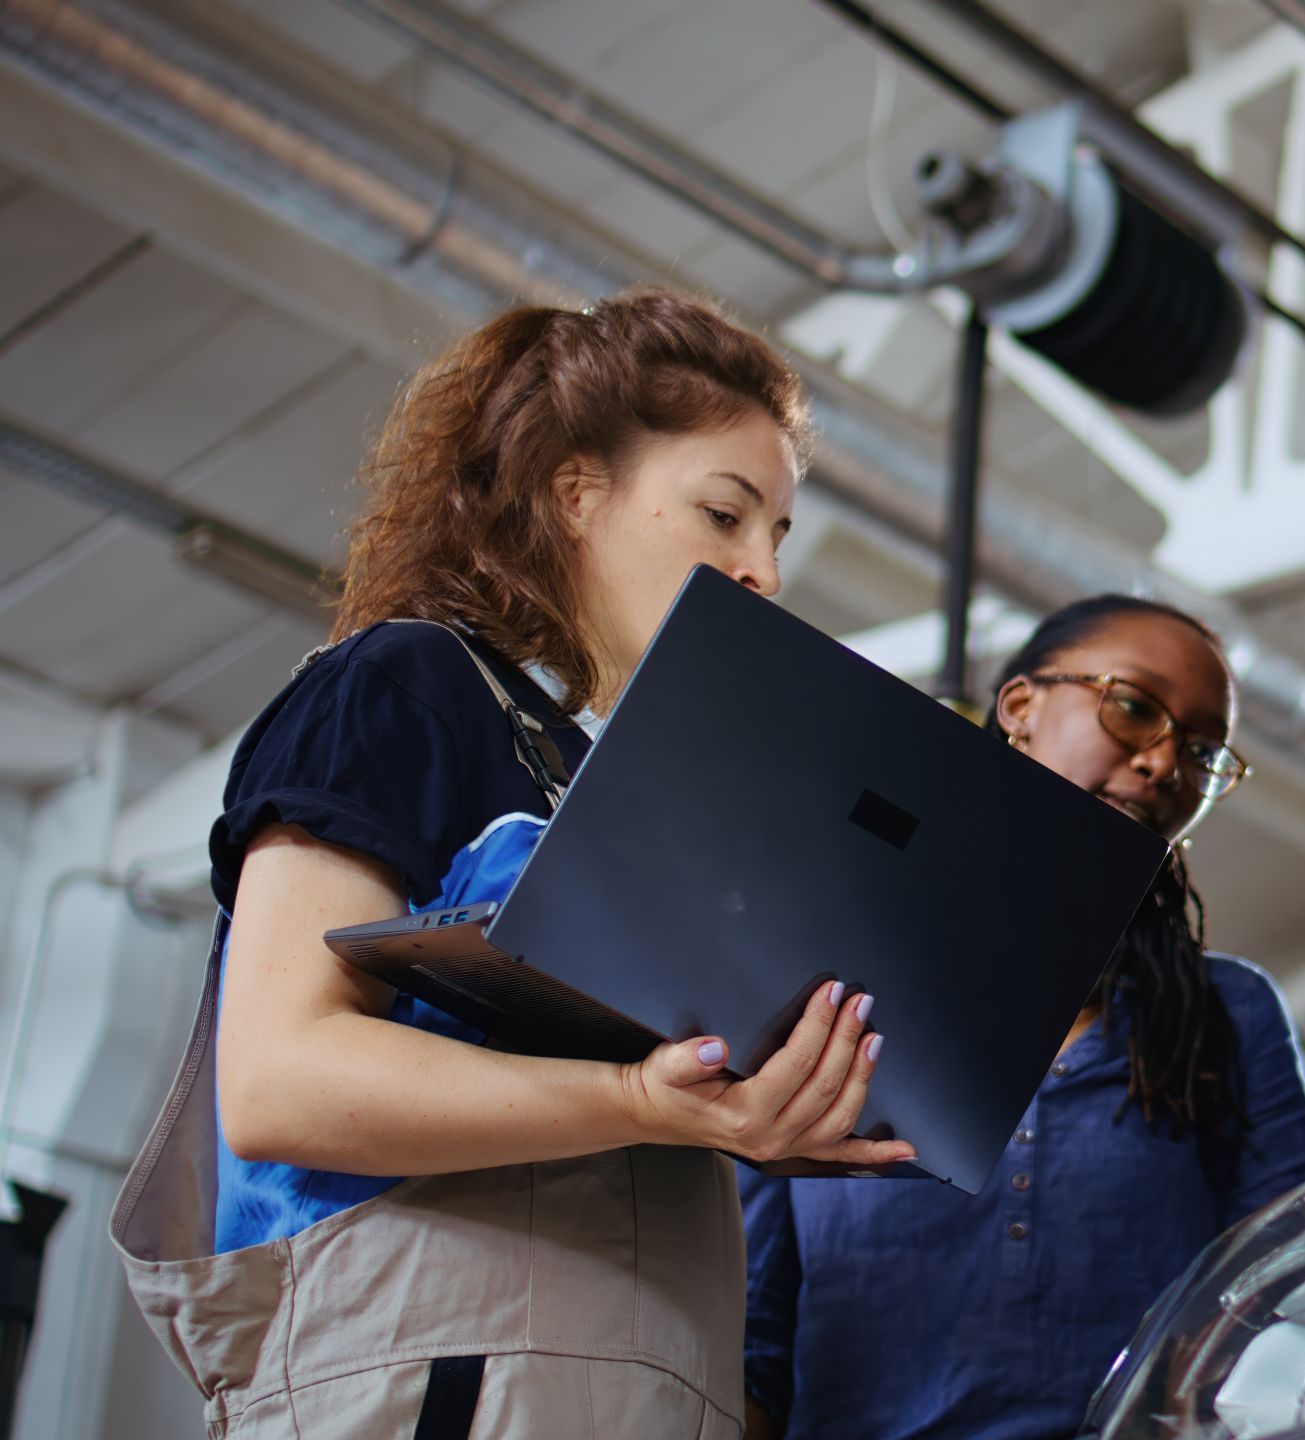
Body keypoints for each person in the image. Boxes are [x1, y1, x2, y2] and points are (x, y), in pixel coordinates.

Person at [109, 288, 914, 1440]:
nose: (764, 575)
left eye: (774, 535)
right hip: (443, 1369)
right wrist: (641, 1101)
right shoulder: (404, 684)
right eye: (725, 515)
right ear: (576, 493)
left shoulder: (625, 792)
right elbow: (281, 1079)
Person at [740, 596, 1305, 1440]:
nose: (1165, 761)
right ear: (1019, 708)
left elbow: (1297, 1298)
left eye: (1201, 752)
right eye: (1135, 707)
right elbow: (751, 1343)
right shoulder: (828, 993)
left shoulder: (1225, 1016)